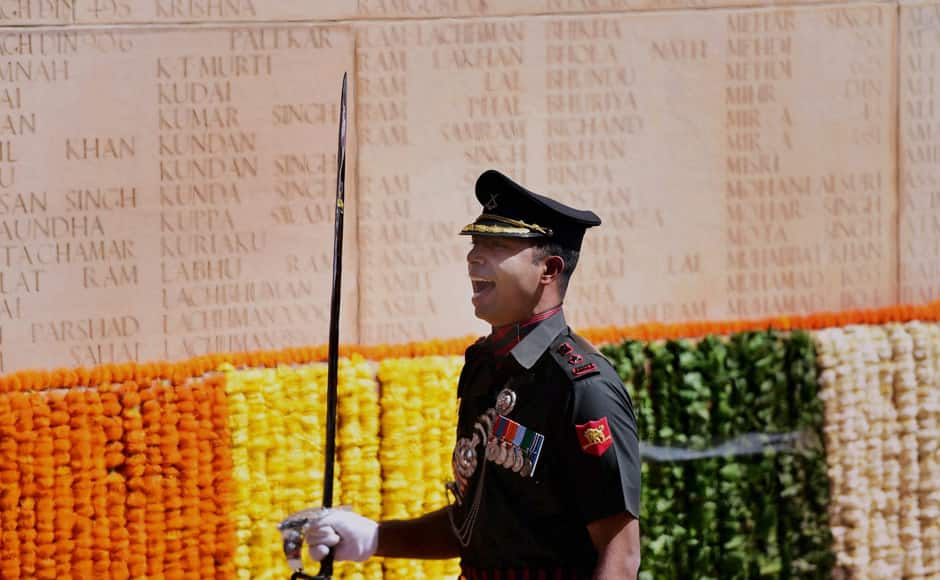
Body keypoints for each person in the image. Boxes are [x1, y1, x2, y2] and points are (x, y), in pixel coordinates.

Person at [282, 169, 641, 579]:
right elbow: (476, 525)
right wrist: (374, 538)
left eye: (498, 245)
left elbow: (621, 555)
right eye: (475, 243)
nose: (474, 256)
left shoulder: (581, 386)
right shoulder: (485, 367)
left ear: (549, 269)